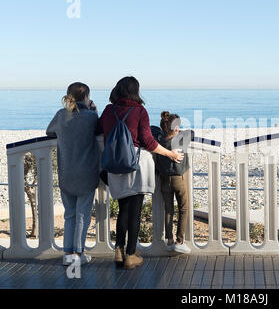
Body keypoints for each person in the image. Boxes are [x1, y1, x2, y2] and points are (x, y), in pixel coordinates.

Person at [98, 76, 184, 269]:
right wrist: (170, 153)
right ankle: (130, 255)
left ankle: (119, 251)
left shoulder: (108, 110)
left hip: (114, 164)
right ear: (136, 91)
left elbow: (97, 129)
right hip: (136, 164)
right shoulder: (139, 111)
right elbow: (148, 142)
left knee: (123, 210)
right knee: (134, 211)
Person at [46, 82, 99, 266]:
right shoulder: (91, 116)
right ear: (87, 97)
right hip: (86, 174)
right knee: (82, 215)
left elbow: (49, 131)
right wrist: (94, 110)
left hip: (66, 173)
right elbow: (99, 130)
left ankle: (67, 254)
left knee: (69, 214)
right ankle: (78, 253)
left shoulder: (62, 114)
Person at [153, 111, 193, 254]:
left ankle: (169, 240)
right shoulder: (181, 139)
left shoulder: (159, 140)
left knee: (169, 210)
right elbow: (191, 132)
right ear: (176, 129)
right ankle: (180, 241)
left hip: (164, 179)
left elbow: (152, 128)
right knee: (183, 208)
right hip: (179, 179)